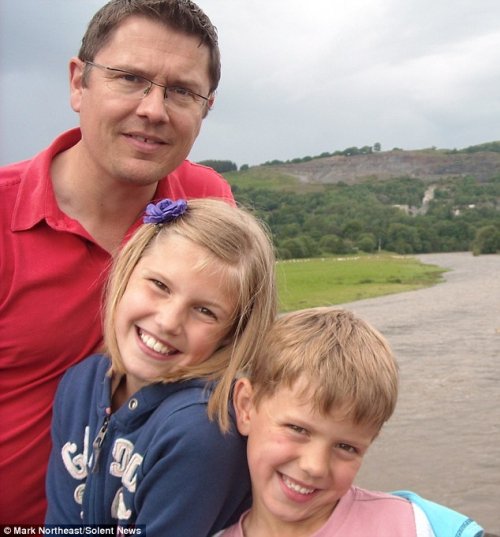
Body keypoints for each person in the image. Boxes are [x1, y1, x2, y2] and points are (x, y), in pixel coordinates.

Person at [0, 0, 233, 524]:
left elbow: (245, 354)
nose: (154, 109)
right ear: (78, 83)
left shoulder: (205, 202)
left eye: (181, 91)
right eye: (130, 78)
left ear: (206, 109)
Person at [45, 197, 277, 536]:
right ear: (126, 273)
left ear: (230, 335)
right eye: (160, 286)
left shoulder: (201, 431)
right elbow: (62, 524)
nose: (168, 322)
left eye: (205, 311)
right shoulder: (80, 385)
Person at [215, 307, 484, 537]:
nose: (315, 466)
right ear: (246, 406)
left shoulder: (419, 526)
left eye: (346, 447)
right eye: (298, 429)